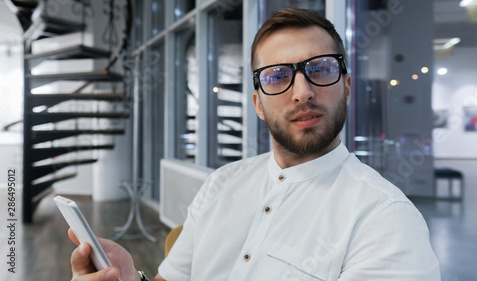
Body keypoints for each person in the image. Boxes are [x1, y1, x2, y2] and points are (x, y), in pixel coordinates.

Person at [69, 8, 441, 281]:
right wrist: (131, 278)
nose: (302, 92)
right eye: (278, 76)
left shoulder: (385, 219)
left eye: (321, 68)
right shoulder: (221, 183)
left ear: (345, 86)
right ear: (258, 104)